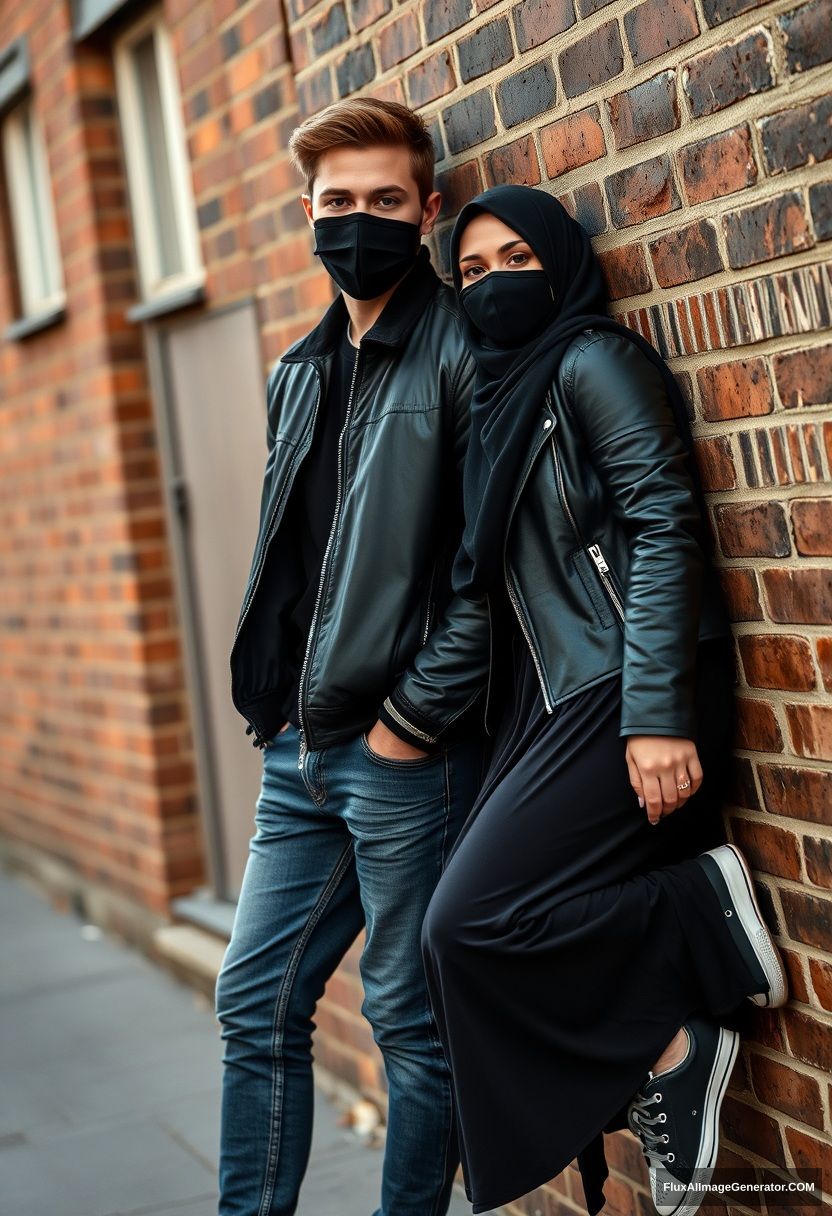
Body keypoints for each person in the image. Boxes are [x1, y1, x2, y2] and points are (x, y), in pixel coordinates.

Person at [419, 184, 789, 1216]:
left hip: (630, 682)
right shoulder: (496, 400)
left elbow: (663, 522)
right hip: (557, 698)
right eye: (472, 270)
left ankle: (691, 949)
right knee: (456, 936)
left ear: (563, 261)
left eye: (515, 260)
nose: (493, 285)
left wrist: (656, 711)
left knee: (467, 920)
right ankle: (672, 989)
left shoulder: (590, 361)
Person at [218, 98, 489, 1216]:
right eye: (340, 203)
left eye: (386, 201)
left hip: (403, 755)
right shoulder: (298, 368)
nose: (361, 221)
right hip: (299, 748)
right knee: (253, 1002)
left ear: (427, 211)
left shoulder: (467, 351)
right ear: (307, 214)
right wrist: (281, 710)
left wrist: (412, 718)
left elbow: (493, 567)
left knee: (408, 1020)